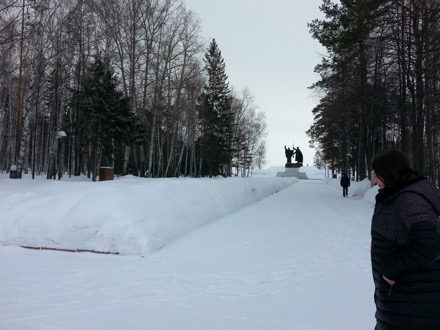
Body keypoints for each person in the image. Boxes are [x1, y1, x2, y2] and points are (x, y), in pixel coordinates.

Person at [370, 150, 440, 330]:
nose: (375, 181)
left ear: (388, 172)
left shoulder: (409, 199)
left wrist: (391, 270)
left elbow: (429, 244)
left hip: (410, 304)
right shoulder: (402, 193)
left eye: (377, 175)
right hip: (404, 300)